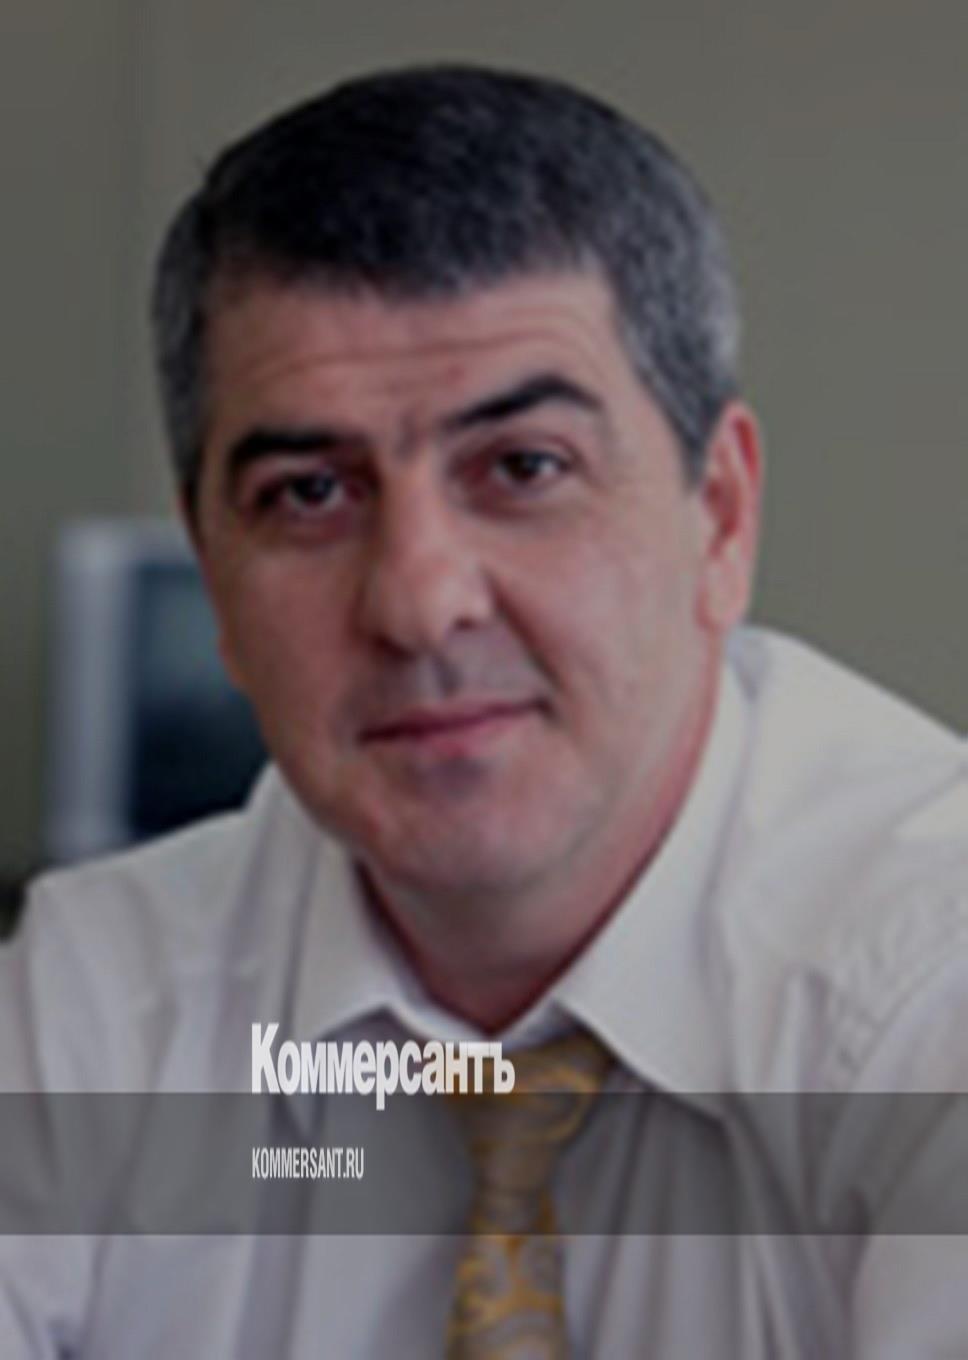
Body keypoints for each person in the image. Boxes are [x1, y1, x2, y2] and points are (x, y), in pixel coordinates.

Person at [1, 63, 966, 1358]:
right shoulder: (103, 1009)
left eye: (523, 467)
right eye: (308, 493)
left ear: (721, 516)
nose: (417, 603)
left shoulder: (925, 995)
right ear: (214, 570)